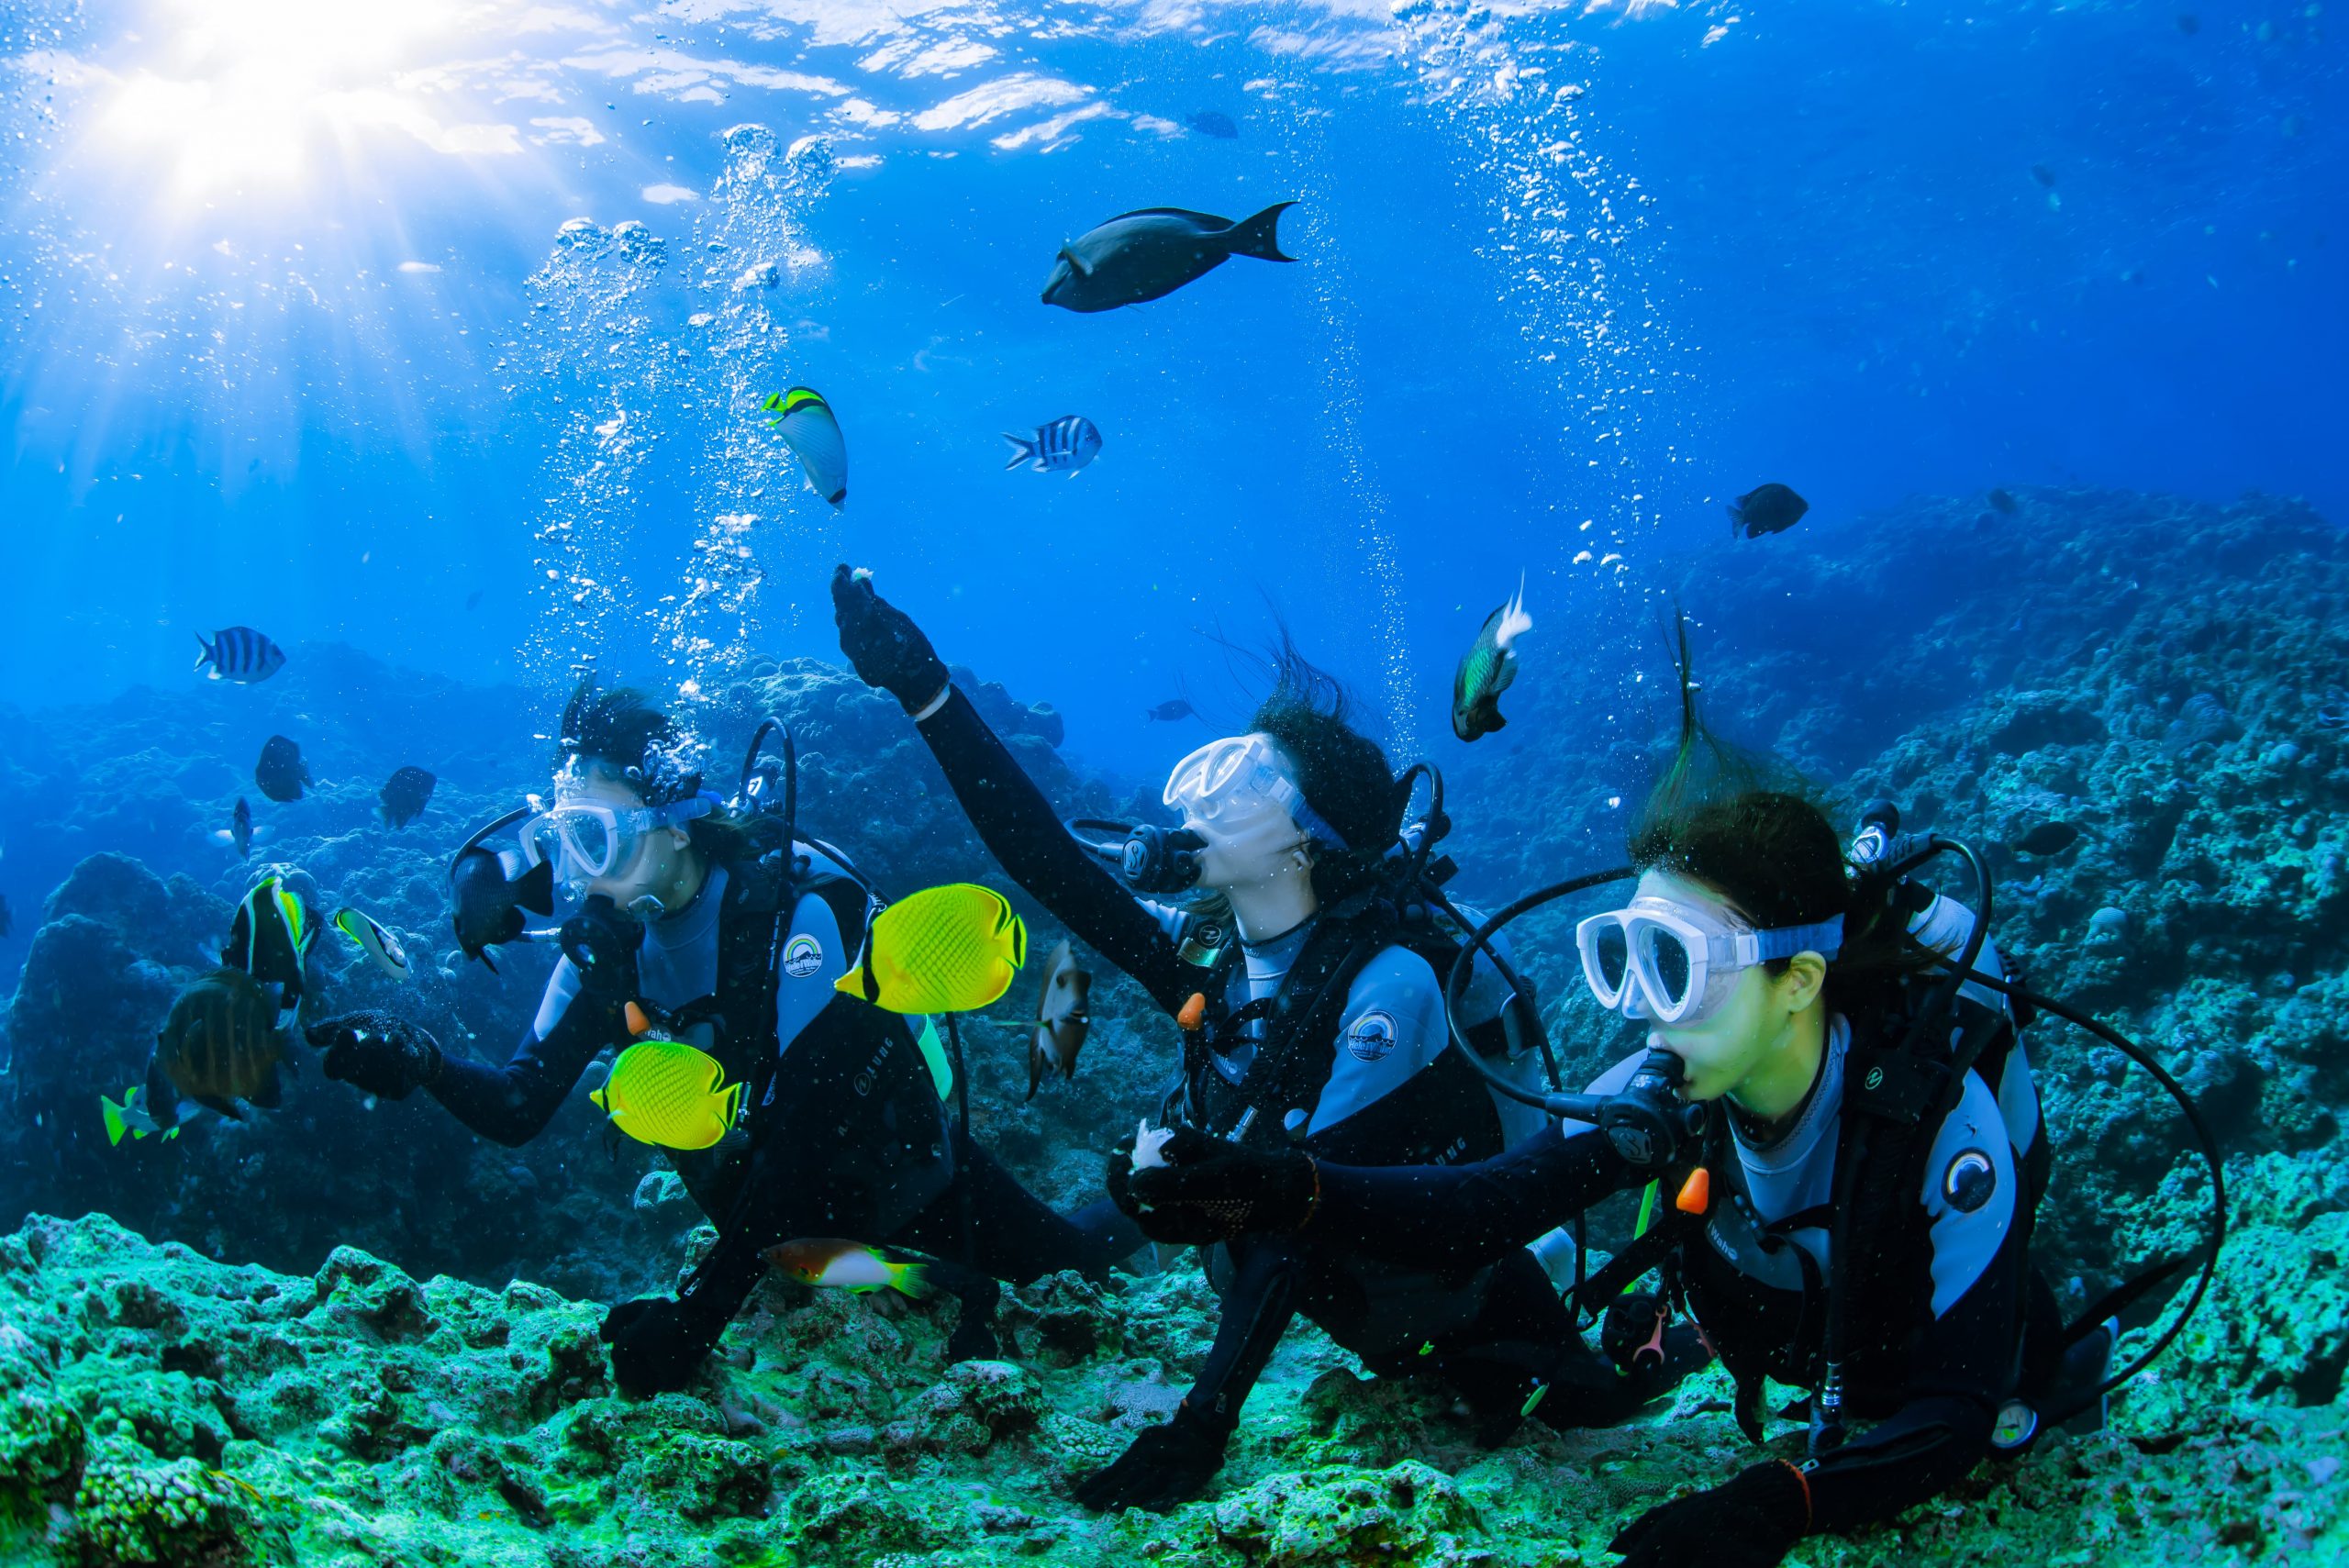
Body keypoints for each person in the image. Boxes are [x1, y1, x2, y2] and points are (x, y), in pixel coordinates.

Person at [1107, 668, 2115, 1566]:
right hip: (1789, 1342)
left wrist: (1784, 1501)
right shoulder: (1677, 1072)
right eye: (1624, 957)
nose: (1641, 1007)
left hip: (1921, 1362)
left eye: (1674, 965)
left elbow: (1953, 1413)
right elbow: (1487, 1206)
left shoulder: (1936, 1119)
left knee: (2017, 1392)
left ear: (1800, 979)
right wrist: (1284, 1185)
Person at [831, 565, 1701, 1512]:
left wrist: (1201, 1424)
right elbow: (1046, 859)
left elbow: (1297, 1212)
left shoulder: (1392, 983)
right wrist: (925, 690)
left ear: (1305, 837)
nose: (1200, 795)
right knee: (1051, 1251)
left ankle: (1642, 1339)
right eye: (1212, 766)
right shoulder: (1212, 951)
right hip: (1316, 1279)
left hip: (1457, 1307)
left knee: (1567, 1407)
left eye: (1244, 780)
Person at [301, 677, 1117, 1394]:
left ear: (678, 823)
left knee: (1079, 1266)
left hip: (911, 1184)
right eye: (566, 841)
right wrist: (423, 1060)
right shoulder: (609, 950)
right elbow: (519, 1103)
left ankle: (1145, 1192)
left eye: (598, 837)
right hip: (772, 1239)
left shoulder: (796, 911)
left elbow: (805, 1146)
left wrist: (696, 1320)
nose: (582, 877)